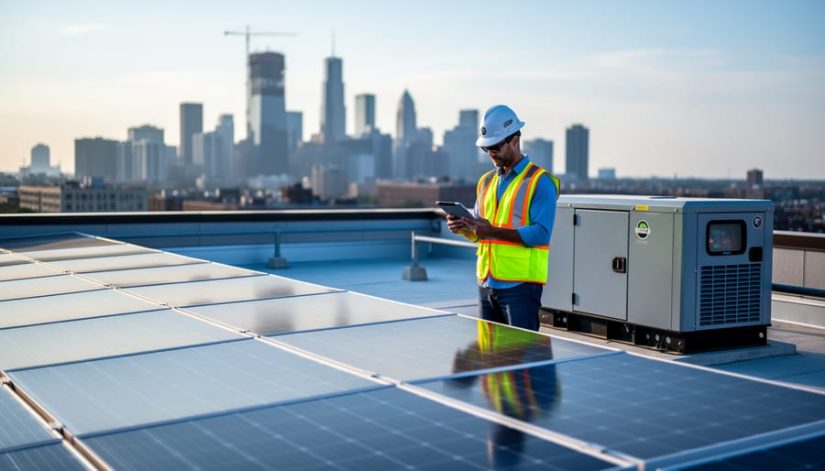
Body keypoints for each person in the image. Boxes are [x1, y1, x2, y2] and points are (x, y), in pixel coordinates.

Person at [447, 104, 559, 331]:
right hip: (487, 283)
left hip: (520, 287)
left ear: (515, 140)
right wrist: (464, 227)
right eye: (486, 148)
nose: (491, 153)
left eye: (495, 147)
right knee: (490, 357)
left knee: (522, 359)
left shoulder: (541, 182)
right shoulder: (486, 182)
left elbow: (540, 234)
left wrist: (491, 230)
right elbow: (481, 234)